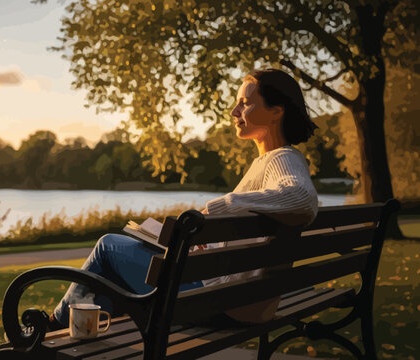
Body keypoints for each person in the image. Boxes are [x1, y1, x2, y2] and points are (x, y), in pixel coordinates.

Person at [48, 68, 319, 329]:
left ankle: (52, 329)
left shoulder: (283, 158)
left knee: (108, 247)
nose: (234, 112)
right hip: (243, 302)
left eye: (245, 104)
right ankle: (74, 330)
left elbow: (302, 198)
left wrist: (223, 206)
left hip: (221, 305)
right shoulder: (270, 162)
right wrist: (209, 244)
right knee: (119, 261)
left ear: (276, 111)